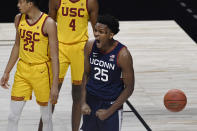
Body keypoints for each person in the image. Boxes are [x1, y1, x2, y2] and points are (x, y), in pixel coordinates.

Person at [38, 0, 98, 131]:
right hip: (60, 48)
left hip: (80, 49)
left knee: (77, 95)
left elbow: (97, 30)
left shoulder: (90, 2)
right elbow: (48, 26)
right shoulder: (56, 1)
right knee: (52, 94)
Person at [0, 0, 59, 131]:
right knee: (12, 116)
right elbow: (17, 45)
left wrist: (55, 85)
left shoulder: (48, 23)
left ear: (30, 4)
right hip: (23, 70)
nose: (18, 5)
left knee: (46, 118)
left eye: (21, 2)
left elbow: (55, 56)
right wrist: (6, 71)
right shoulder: (18, 19)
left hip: (42, 72)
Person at [80, 14, 135, 131]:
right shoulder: (89, 46)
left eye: (101, 32)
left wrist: (109, 112)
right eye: (95, 30)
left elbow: (129, 88)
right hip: (91, 102)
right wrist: (83, 102)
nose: (96, 34)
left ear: (111, 35)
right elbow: (85, 75)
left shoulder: (123, 54)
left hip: (111, 105)